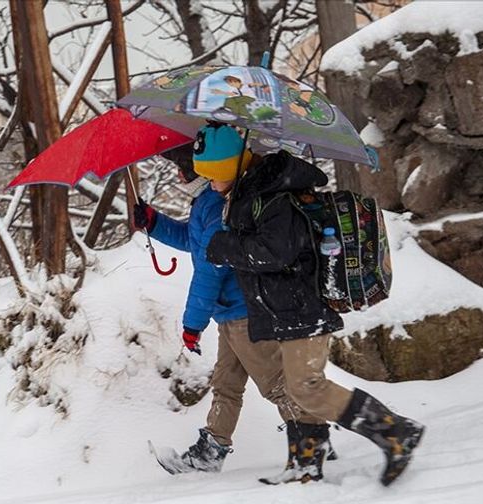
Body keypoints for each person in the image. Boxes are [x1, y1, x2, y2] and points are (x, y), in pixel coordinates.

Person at [204, 126, 425, 486]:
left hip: (300, 307)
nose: (209, 182)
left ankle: (396, 432)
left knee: (307, 386)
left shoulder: (274, 198)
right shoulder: (254, 194)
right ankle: (305, 463)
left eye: (213, 174)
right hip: (284, 308)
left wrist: (224, 246)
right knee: (298, 386)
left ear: (232, 166)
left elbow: (276, 253)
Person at [133, 127, 336, 482]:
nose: (179, 177)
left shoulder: (215, 205)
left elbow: (209, 272)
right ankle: (211, 451)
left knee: (273, 383)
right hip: (229, 311)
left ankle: (312, 441)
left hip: (243, 310)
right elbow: (194, 242)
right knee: (226, 383)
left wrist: (192, 324)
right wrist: (155, 223)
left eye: (183, 171)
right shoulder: (206, 203)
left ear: (200, 172)